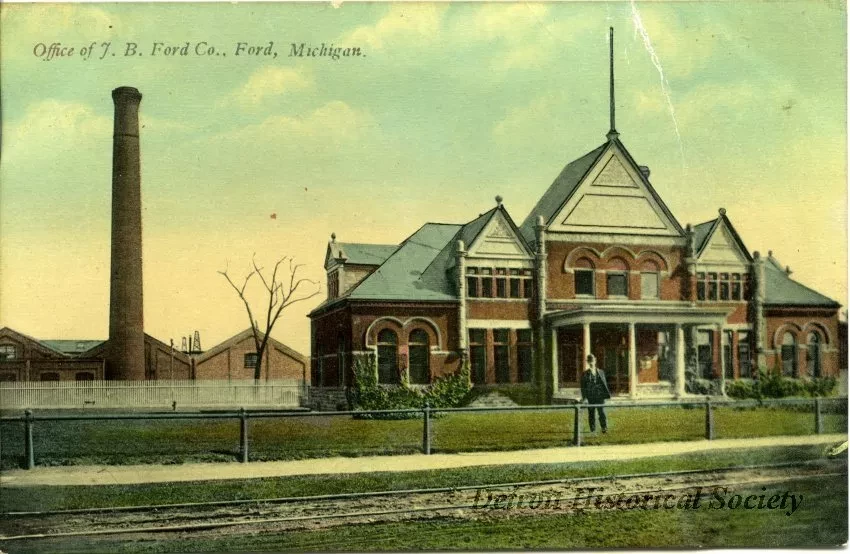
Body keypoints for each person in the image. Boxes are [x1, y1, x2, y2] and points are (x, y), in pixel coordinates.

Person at [580, 354, 611, 433]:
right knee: (591, 413)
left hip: (600, 396)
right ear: (587, 362)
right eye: (589, 361)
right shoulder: (585, 374)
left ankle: (604, 428)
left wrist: (605, 395)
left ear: (595, 361)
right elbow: (583, 387)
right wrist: (585, 398)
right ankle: (592, 429)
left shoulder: (601, 372)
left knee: (602, 413)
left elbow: (604, 384)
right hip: (591, 396)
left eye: (592, 361)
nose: (591, 363)